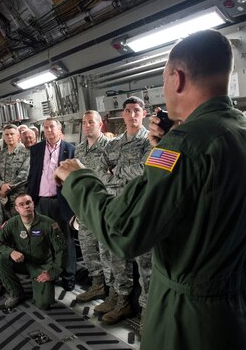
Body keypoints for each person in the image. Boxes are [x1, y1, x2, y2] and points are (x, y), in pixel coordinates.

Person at [55, 30, 246, 349]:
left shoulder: (185, 144)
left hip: (191, 319)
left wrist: (77, 179)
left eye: (164, 79)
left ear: (177, 78)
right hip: (241, 306)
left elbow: (124, 231)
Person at [97, 96, 153, 324]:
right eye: (128, 111)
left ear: (144, 114)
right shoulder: (114, 143)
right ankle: (121, 300)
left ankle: (148, 313)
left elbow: (146, 169)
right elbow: (99, 168)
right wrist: (114, 173)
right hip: (114, 208)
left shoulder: (150, 141)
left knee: (145, 264)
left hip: (138, 210)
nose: (132, 115)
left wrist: (115, 172)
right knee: (115, 257)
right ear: (123, 114)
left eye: (136, 111)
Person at [0, 193, 65, 310]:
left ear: (33, 204)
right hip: (21, 262)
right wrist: (11, 252)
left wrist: (52, 272)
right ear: (17, 208)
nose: (26, 206)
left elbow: (61, 251)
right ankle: (16, 293)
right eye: (21, 204)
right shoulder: (12, 223)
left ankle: (39, 287)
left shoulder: (49, 224)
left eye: (28, 203)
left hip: (41, 265)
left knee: (43, 304)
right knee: (0, 259)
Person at [26, 118, 76, 291]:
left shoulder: (70, 150)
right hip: (40, 202)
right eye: (45, 128)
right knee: (43, 241)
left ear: (59, 129)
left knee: (65, 241)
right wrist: (30, 197)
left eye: (51, 127)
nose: (48, 130)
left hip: (60, 202)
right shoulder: (36, 149)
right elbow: (32, 174)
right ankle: (49, 273)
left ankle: (69, 276)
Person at [72, 110, 111, 304]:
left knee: (107, 252)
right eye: (84, 123)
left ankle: (113, 293)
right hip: (84, 208)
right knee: (88, 249)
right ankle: (97, 285)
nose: (87, 126)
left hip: (103, 207)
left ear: (100, 124)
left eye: (91, 122)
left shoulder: (110, 146)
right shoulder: (79, 150)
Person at [0, 124, 30, 217]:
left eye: (12, 134)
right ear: (4, 137)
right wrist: (1, 185)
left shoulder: (26, 153)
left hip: (19, 198)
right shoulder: (1, 154)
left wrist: (8, 187)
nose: (9, 136)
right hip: (3, 199)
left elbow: (24, 175)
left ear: (18, 136)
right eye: (6, 134)